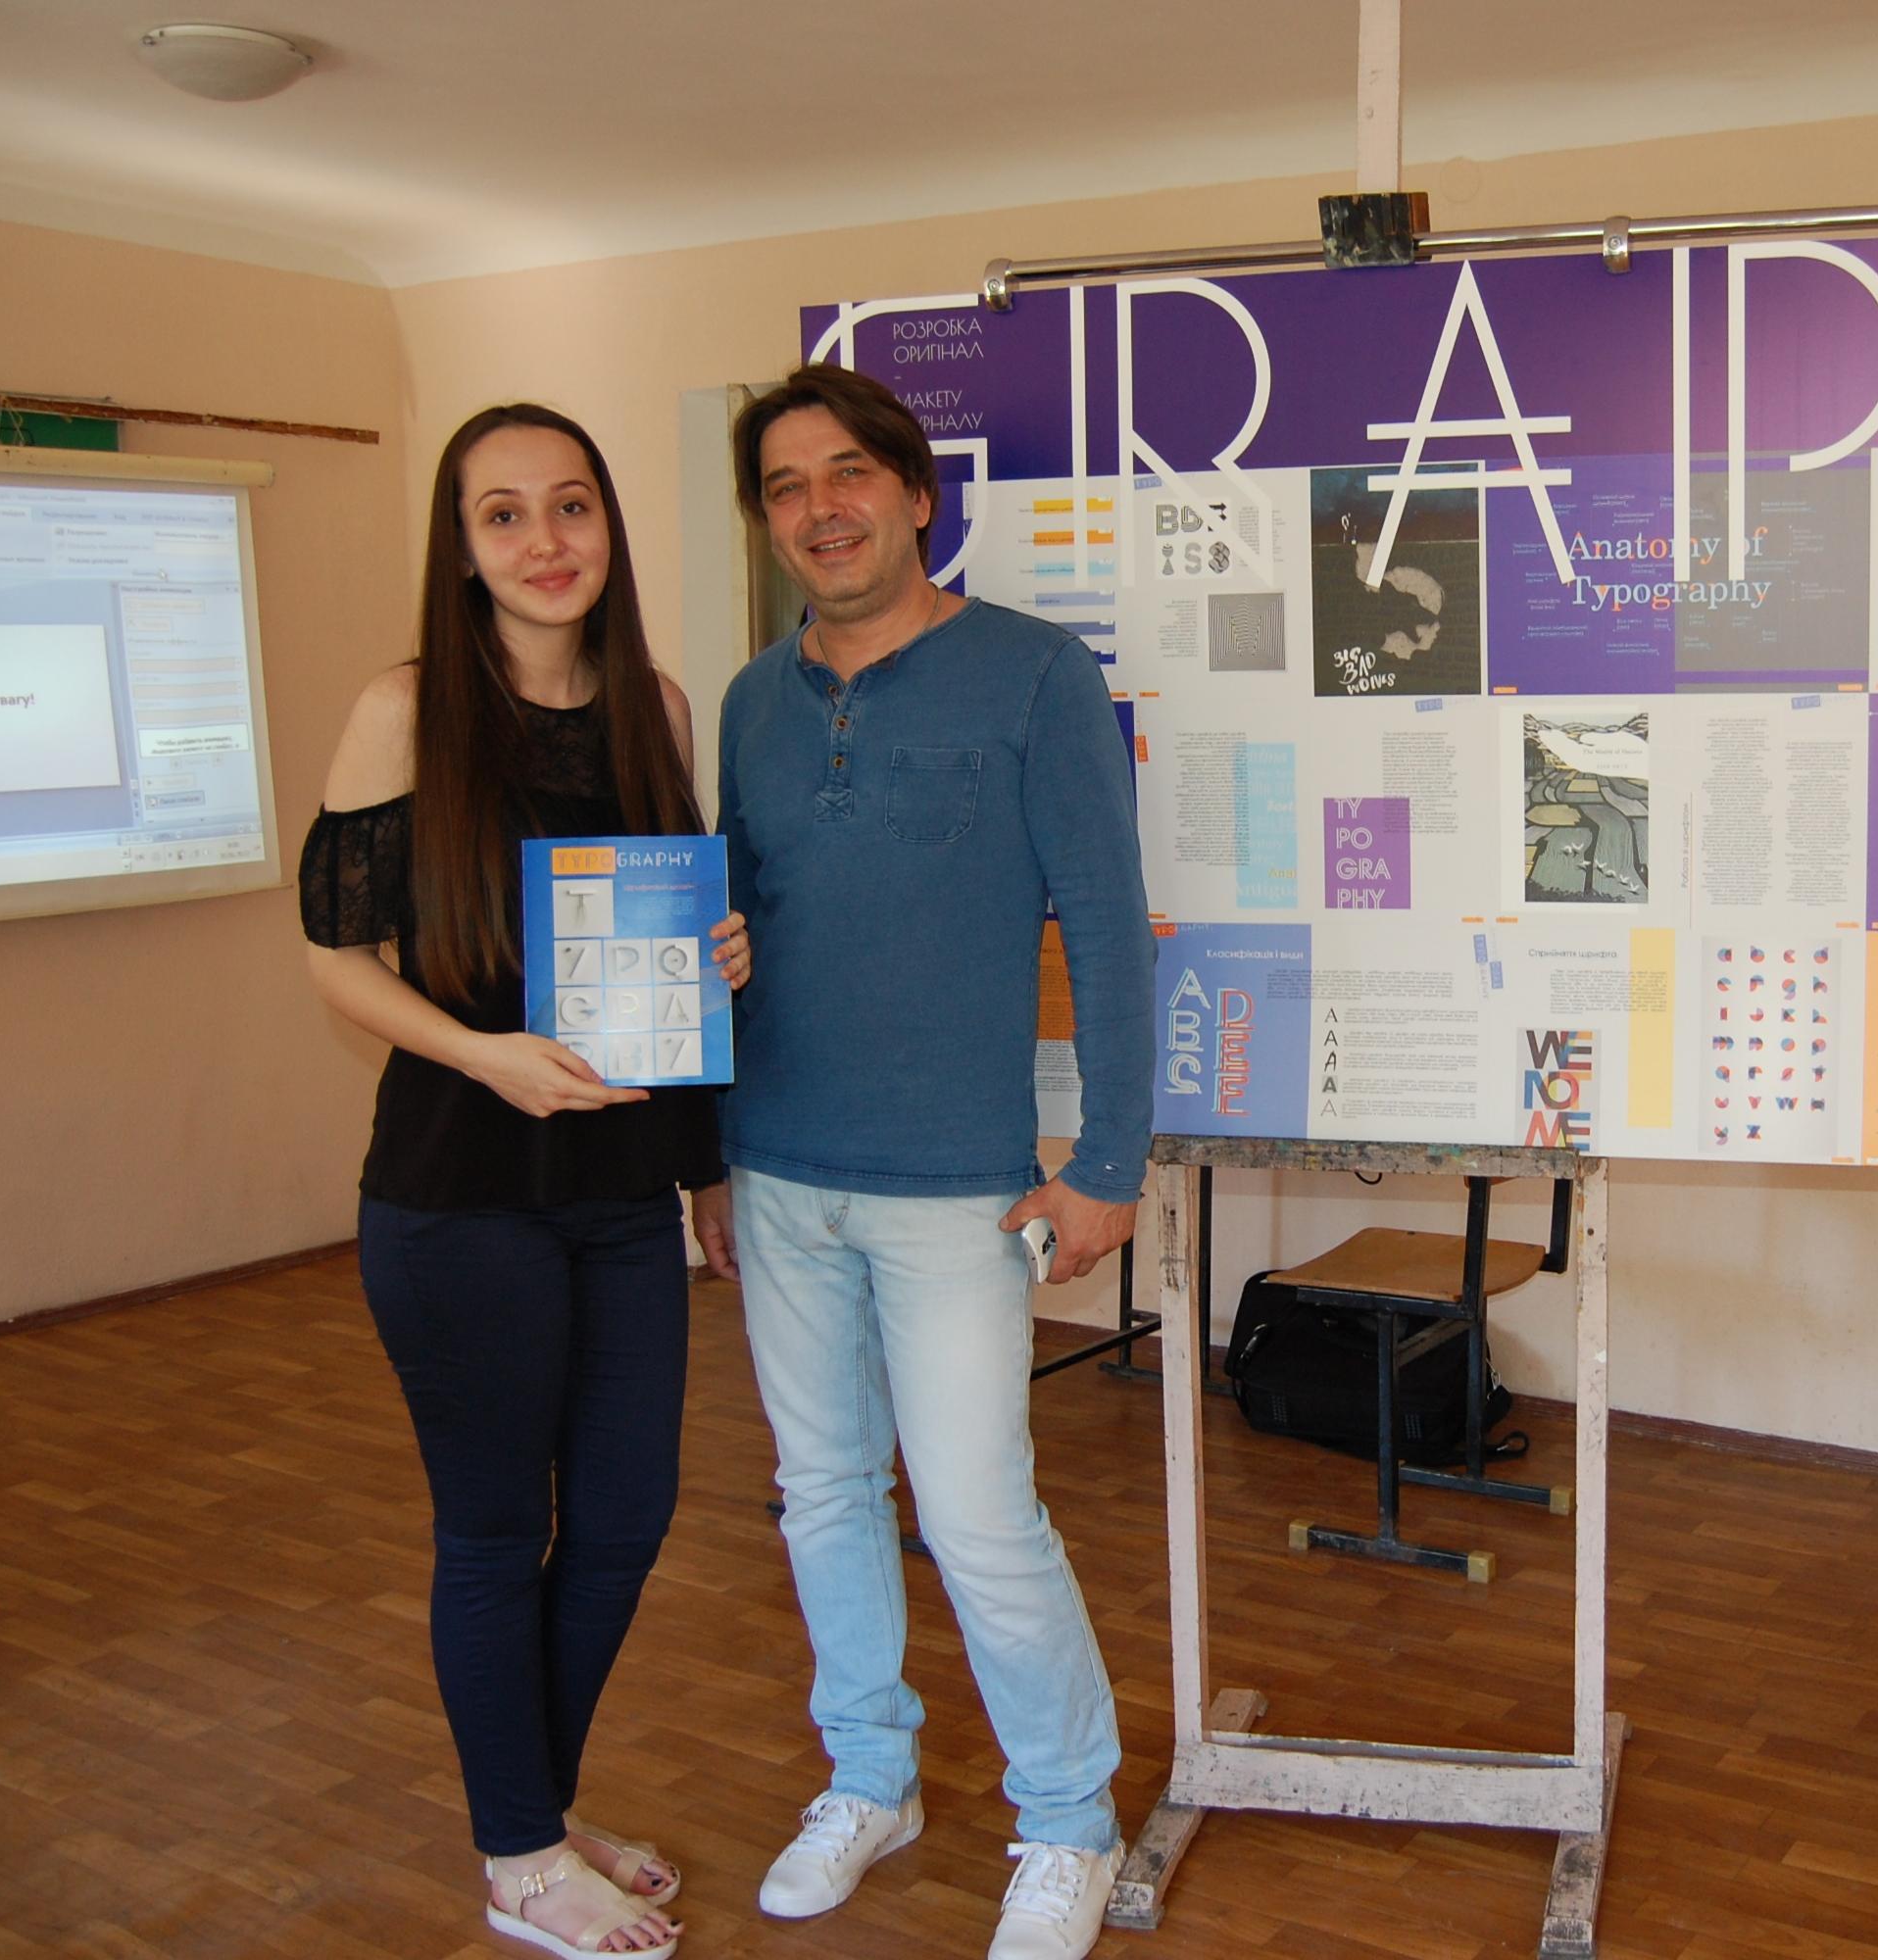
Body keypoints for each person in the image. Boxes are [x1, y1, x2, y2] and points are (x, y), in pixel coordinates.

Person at [692, 364, 1151, 1960]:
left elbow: (1108, 931)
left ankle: (1070, 1819)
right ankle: (869, 1779)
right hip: (777, 1170)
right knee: (822, 1496)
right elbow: (725, 934)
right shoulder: (752, 701)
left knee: (975, 1518)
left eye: (846, 475)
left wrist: (1108, 1159)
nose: (818, 509)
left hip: (959, 1188)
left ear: (912, 493)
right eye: (784, 487)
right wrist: (707, 1156)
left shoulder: (1036, 676)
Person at [302, 404, 749, 1960]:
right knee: (497, 1533)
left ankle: (536, 1813)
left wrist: (713, 994)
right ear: (462, 546)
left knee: (624, 1518)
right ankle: (519, 1855)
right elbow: (335, 959)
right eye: (504, 514)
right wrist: (484, 1054)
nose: (545, 541)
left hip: (622, 1189)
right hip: (459, 1196)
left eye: (571, 506)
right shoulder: (405, 711)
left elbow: (670, 946)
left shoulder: (655, 706)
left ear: (608, 527)